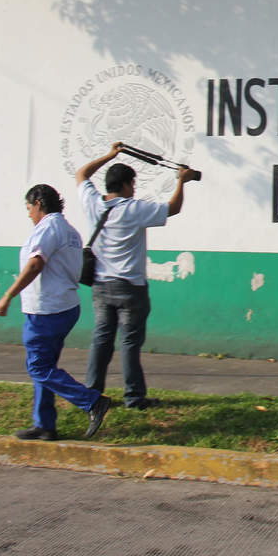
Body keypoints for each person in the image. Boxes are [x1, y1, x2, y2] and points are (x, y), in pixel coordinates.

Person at [77, 142, 198, 409]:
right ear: (127, 184)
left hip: (100, 285)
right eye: (133, 183)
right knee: (130, 343)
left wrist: (110, 154)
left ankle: (91, 394)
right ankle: (133, 396)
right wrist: (182, 182)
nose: (134, 189)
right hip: (130, 287)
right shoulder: (133, 209)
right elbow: (172, 208)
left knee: (101, 339)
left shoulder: (93, 204)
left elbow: (82, 174)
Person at [0, 184, 113, 441]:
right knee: (46, 366)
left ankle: (92, 402)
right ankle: (45, 424)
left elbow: (36, 263)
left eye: (28, 208)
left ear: (38, 203)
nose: (28, 214)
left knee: (38, 367)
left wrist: (8, 295)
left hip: (45, 310)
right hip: (64, 307)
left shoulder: (48, 228)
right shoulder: (70, 231)